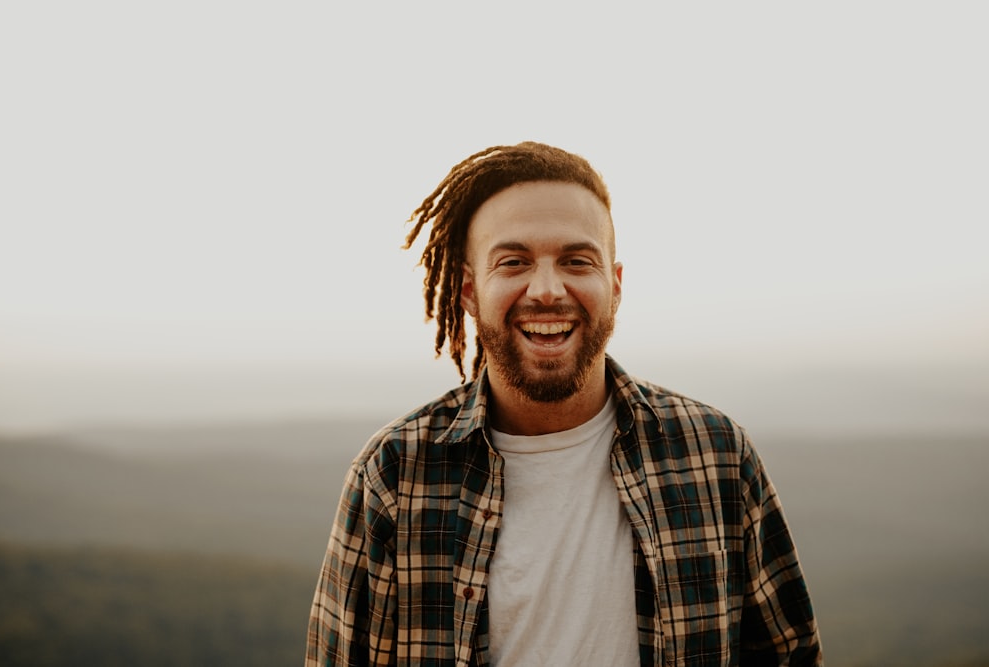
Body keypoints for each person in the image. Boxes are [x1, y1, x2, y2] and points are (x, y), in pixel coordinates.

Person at [306, 142, 823, 666]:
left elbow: (791, 655)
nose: (548, 290)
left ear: (614, 286)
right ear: (469, 289)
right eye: (514, 262)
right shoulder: (396, 474)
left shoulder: (716, 456)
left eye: (577, 261)